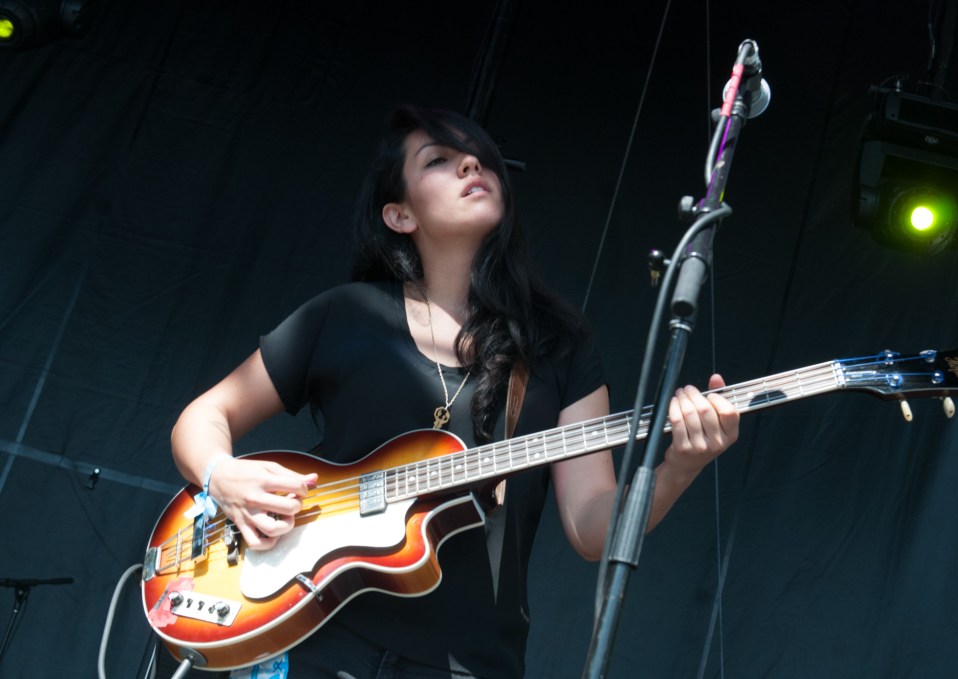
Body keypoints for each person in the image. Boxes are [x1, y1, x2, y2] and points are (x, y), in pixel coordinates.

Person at [170, 104, 740, 679]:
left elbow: (592, 526)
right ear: (399, 214)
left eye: (480, 156)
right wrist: (223, 476)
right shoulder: (346, 315)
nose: (472, 163)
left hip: (472, 664)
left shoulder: (558, 345)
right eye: (440, 160)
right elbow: (205, 415)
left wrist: (677, 470)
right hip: (323, 640)